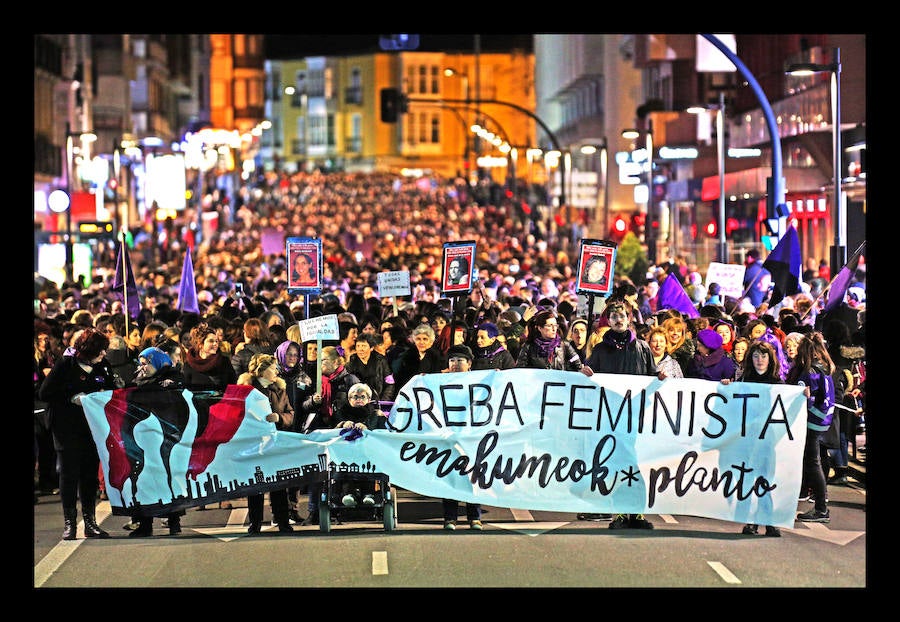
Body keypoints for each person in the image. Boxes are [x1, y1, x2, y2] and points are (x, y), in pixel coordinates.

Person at [39, 327, 120, 540]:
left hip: (92, 427)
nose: (104, 354)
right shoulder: (67, 364)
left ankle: (90, 522)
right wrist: (72, 397)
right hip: (66, 427)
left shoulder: (103, 366)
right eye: (100, 350)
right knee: (68, 474)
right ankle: (69, 523)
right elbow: (45, 392)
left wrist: (108, 392)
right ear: (89, 349)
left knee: (89, 474)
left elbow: (112, 387)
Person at [584, 300, 657, 529]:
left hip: (636, 417)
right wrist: (584, 374)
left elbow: (652, 376)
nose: (618, 320)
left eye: (622, 316)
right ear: (609, 321)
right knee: (618, 464)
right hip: (611, 418)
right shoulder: (600, 349)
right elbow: (590, 379)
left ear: (629, 319)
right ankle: (621, 513)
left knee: (637, 464)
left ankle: (637, 513)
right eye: (613, 317)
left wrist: (661, 378)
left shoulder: (642, 348)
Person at [721, 340, 784, 537]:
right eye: (756, 356)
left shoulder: (778, 383)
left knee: (765, 479)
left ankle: (769, 521)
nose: (760, 360)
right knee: (747, 479)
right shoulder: (744, 381)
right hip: (748, 440)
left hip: (767, 440)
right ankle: (750, 522)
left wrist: (803, 394)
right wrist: (727, 387)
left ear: (770, 359)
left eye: (763, 356)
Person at [125, 346, 188, 537]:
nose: (142, 367)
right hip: (144, 437)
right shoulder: (136, 379)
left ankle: (173, 519)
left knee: (170, 473)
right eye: (141, 363)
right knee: (145, 476)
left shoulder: (172, 376)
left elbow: (172, 395)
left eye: (147, 363)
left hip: (168, 434)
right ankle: (144, 522)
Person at [300, 346, 361, 525]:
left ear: (336, 362)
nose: (320, 364)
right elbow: (303, 406)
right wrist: (313, 401)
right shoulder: (316, 380)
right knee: (316, 471)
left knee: (337, 471)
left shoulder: (350, 380)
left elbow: (361, 403)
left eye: (324, 360)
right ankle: (313, 511)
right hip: (321, 430)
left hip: (341, 432)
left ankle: (334, 509)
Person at [237, 353, 295, 533]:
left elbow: (290, 414)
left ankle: (282, 520)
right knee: (255, 484)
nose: (276, 371)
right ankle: (255, 522)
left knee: (279, 484)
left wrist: (279, 417)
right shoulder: (247, 391)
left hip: (275, 442)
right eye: (272, 368)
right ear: (261, 371)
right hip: (253, 443)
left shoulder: (280, 390)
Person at [788, 332, 836, 523]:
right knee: (813, 461)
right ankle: (821, 505)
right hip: (823, 421)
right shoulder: (824, 367)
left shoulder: (810, 372)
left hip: (812, 422)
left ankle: (821, 508)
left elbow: (807, 398)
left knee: (812, 462)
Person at [440, 344, 484, 530]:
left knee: (472, 477)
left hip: (470, 437)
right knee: (449, 476)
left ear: (469, 364)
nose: (456, 364)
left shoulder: (479, 382)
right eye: (452, 361)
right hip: (448, 436)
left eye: (460, 361)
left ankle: (474, 517)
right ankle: (450, 518)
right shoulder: (439, 383)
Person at [274, 339, 313, 524]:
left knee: (295, 471)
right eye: (289, 354)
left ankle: (293, 507)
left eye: (296, 355)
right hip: (278, 428)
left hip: (297, 427)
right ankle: (279, 510)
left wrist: (314, 401)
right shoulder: (274, 376)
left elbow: (306, 404)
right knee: (278, 471)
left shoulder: (303, 377)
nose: (292, 358)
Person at [334, 382, 387, 508]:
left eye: (362, 397)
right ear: (349, 399)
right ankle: (348, 493)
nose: (358, 400)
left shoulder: (376, 414)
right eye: (355, 397)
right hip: (345, 454)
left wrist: (367, 427)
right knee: (346, 465)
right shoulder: (341, 413)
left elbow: (383, 433)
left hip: (369, 453)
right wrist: (342, 424)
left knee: (369, 464)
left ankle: (368, 494)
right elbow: (331, 430)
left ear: (369, 399)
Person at [515, 309, 591, 374]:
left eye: (555, 325)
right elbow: (520, 370)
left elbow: (578, 366)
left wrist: (582, 370)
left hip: (560, 387)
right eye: (549, 325)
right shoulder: (529, 347)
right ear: (539, 328)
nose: (554, 329)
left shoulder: (564, 345)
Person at [345, 331, 395, 402]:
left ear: (371, 348)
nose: (360, 349)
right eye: (358, 346)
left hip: (378, 401)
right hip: (357, 402)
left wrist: (384, 401)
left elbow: (390, 383)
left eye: (364, 346)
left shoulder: (381, 361)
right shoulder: (351, 363)